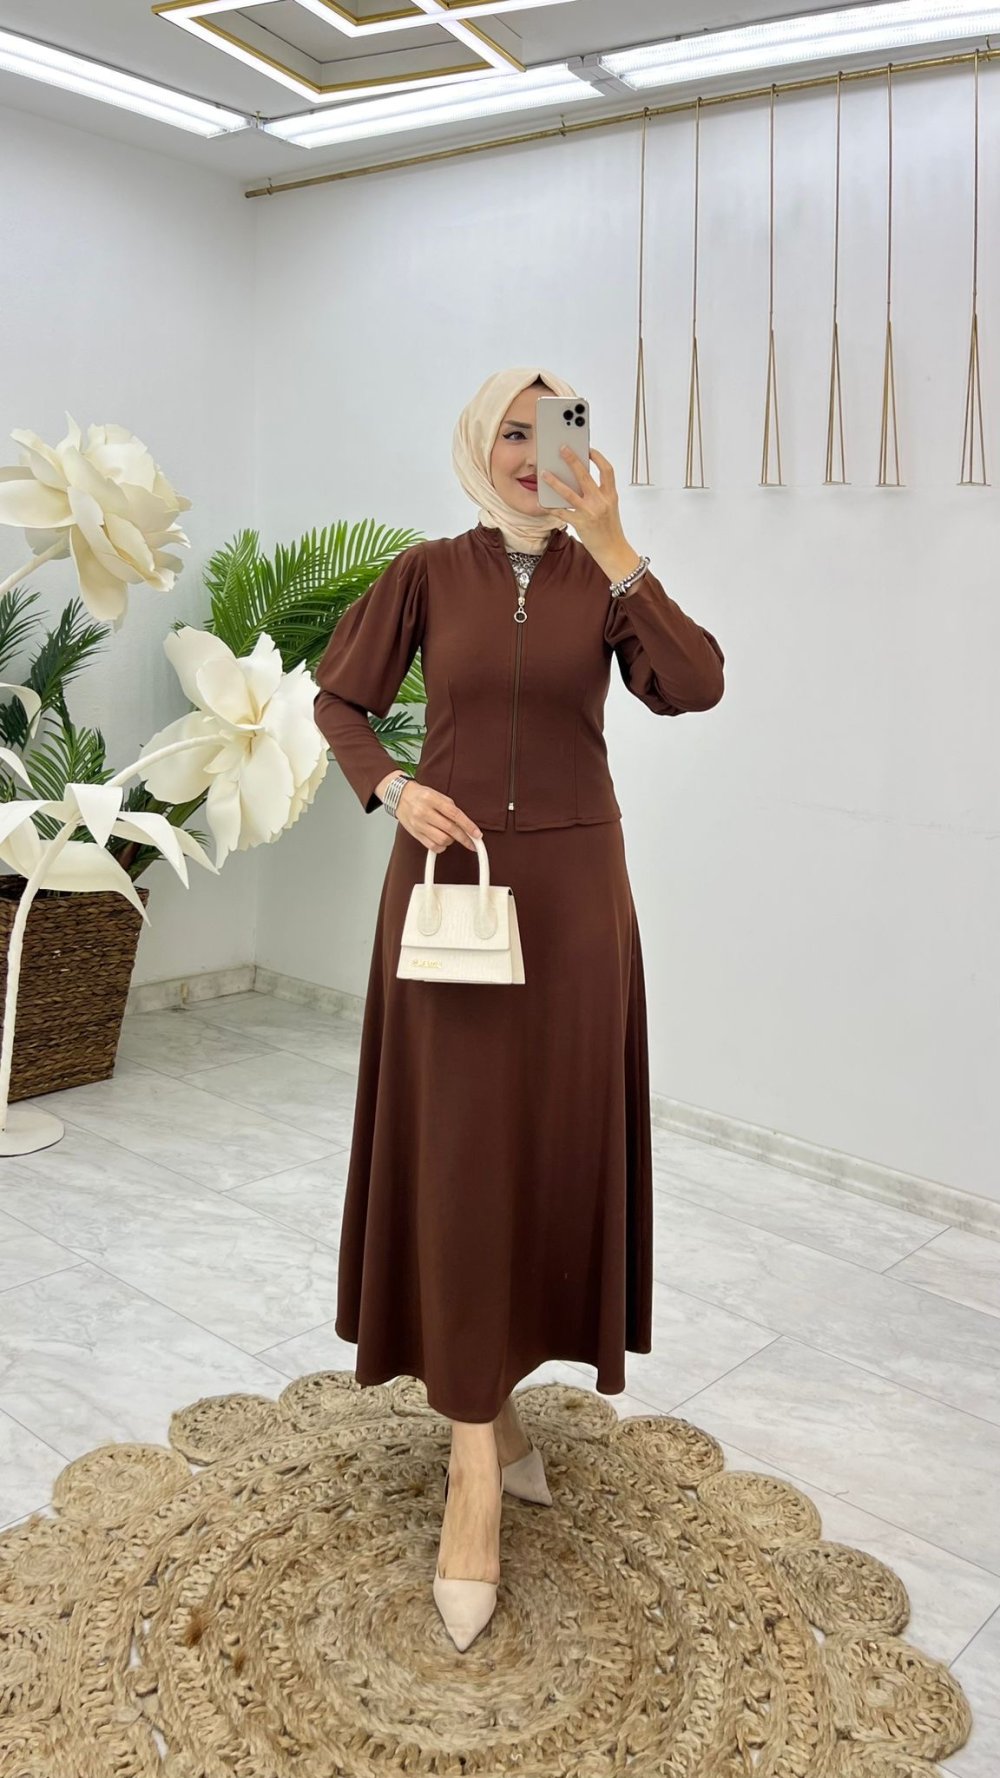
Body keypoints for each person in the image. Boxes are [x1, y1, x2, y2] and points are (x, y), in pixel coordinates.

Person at [312, 366, 725, 1652]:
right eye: (511, 428)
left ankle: (498, 1403)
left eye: (557, 428)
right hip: (449, 890)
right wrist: (391, 786)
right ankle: (473, 1468)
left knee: (548, 1146)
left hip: (574, 898)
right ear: (477, 444)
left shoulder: (605, 583)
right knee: (458, 1151)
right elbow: (338, 699)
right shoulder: (426, 573)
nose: (533, 449)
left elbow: (695, 684)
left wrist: (619, 549)